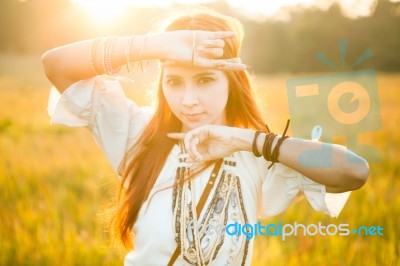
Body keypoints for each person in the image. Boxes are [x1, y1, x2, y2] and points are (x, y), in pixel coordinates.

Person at [42, 8, 369, 266]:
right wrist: (153, 46)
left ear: (232, 81)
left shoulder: (258, 155)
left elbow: (354, 172)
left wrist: (250, 141)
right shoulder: (135, 132)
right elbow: (56, 64)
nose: (187, 101)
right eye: (173, 82)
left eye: (204, 80)